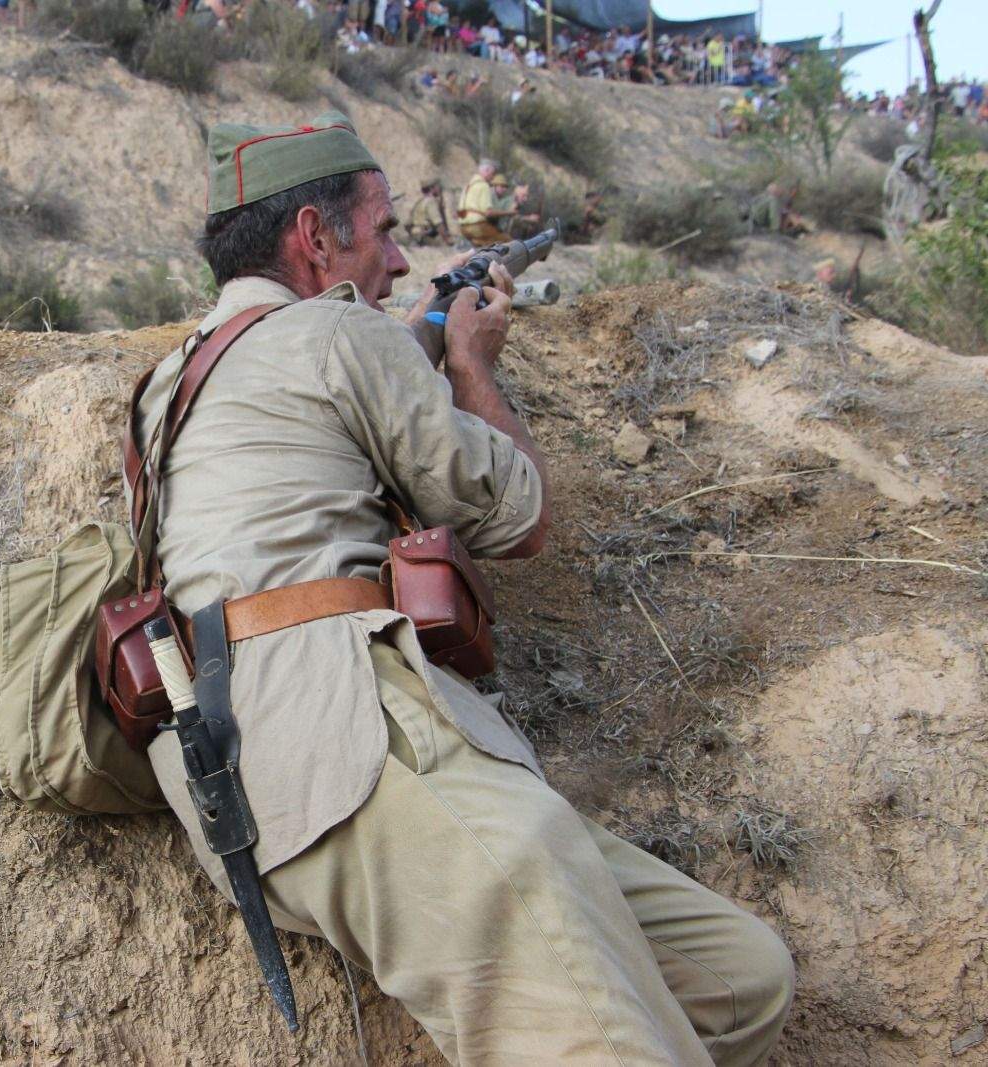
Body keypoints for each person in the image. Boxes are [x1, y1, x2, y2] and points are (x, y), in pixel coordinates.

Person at [135, 109, 795, 1066]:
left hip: (236, 779)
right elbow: (519, 516)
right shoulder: (338, 333)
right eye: (386, 229)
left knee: (742, 976)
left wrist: (402, 354)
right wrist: (468, 365)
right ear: (317, 239)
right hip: (358, 747)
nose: (401, 261)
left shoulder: (169, 381)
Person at [457, 158, 514, 244]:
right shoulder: (483, 186)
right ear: (487, 170)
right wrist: (509, 212)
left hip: (463, 227)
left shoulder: (468, 185)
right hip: (476, 226)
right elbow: (488, 213)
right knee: (508, 241)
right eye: (492, 173)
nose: (493, 177)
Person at [404, 178, 451, 245]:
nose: (439, 189)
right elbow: (438, 224)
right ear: (432, 188)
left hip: (416, 235)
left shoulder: (420, 201)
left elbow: (408, 224)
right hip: (425, 236)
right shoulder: (431, 202)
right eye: (437, 187)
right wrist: (448, 241)